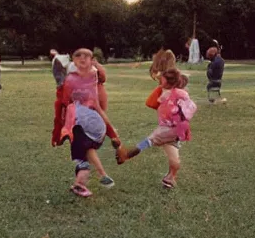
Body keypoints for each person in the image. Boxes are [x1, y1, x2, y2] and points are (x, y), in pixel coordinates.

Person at [52, 48, 121, 197]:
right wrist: (113, 135)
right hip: (88, 127)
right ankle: (96, 177)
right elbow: (100, 111)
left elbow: (60, 110)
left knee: (83, 155)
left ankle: (83, 183)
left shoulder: (71, 91)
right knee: (86, 151)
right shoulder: (89, 91)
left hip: (77, 126)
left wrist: (57, 134)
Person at [116, 68, 196, 189]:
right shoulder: (170, 91)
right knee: (174, 156)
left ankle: (126, 155)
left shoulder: (175, 93)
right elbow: (152, 102)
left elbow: (153, 101)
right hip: (176, 131)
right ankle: (170, 178)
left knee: (149, 140)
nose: (159, 81)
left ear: (168, 81)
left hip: (169, 128)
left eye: (162, 80)